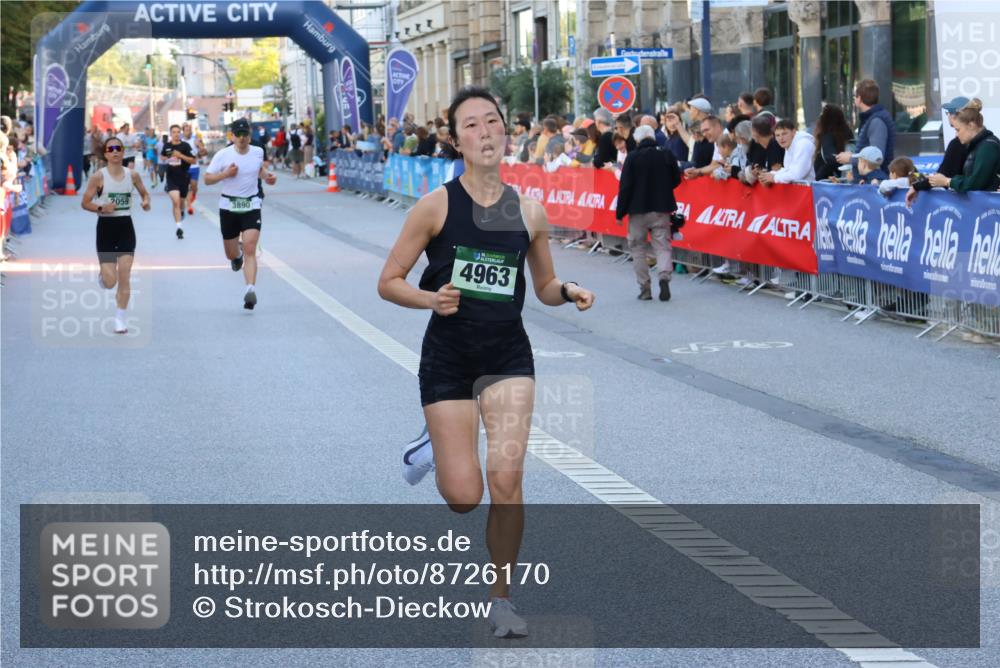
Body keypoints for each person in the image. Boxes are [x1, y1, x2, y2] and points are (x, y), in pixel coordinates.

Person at [377, 86, 594, 639]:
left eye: (492, 121)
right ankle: (432, 442)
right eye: (470, 125)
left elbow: (541, 284)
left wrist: (567, 289)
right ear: (456, 139)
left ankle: (502, 600)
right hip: (448, 356)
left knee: (506, 479)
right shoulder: (436, 206)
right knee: (463, 497)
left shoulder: (528, 209)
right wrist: (431, 299)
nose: (485, 132)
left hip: (507, 356)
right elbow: (388, 282)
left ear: (505, 130)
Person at [80, 135, 151, 334]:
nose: (115, 152)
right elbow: (85, 203)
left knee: (125, 275)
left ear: (123, 151)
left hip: (125, 227)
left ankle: (120, 318)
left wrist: (146, 202)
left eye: (118, 148)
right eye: (111, 149)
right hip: (106, 228)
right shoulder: (98, 177)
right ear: (105, 154)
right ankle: (104, 276)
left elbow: (145, 193)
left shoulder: (132, 175)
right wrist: (101, 207)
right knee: (111, 282)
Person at [204, 118, 277, 310]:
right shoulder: (223, 155)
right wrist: (225, 175)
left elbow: (259, 170)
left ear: (250, 135)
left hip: (251, 204)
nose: (243, 138)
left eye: (246, 134)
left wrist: (268, 177)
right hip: (228, 206)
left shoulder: (258, 152)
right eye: (239, 134)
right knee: (231, 254)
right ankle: (236, 256)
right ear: (233, 136)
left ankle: (250, 290)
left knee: (250, 247)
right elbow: (207, 179)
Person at [616, 124, 681, 301]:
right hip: (661, 209)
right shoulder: (666, 154)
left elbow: (625, 187)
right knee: (663, 246)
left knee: (638, 249)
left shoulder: (632, 157)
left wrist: (620, 213)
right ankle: (664, 277)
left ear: (637, 140)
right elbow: (676, 178)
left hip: (637, 211)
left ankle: (645, 289)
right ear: (652, 137)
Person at [907, 97, 975, 204]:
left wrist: (916, 185)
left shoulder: (958, 144)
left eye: (948, 112)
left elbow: (941, 176)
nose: (957, 134)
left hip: (962, 204)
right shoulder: (987, 141)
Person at [923, 100, 1000, 194]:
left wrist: (947, 181)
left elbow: (975, 184)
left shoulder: (988, 147)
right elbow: (971, 179)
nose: (956, 134)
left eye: (957, 129)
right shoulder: (979, 146)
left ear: (971, 125)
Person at [836, 79, 895, 177]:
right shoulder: (873, 119)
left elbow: (877, 158)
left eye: (855, 96)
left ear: (859, 98)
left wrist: (850, 159)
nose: (854, 99)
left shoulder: (877, 121)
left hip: (872, 184)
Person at [161, 124, 196, 239]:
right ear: (170, 134)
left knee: (181, 204)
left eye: (178, 132)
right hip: (171, 178)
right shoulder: (167, 145)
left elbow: (193, 160)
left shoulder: (185, 146)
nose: (176, 134)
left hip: (183, 178)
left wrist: (180, 155)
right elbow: (162, 156)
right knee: (175, 201)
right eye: (174, 132)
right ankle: (179, 227)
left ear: (180, 133)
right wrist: (168, 158)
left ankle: (181, 212)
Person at [758, 119, 815, 184]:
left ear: (793, 132)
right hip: (805, 189)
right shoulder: (790, 144)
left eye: (784, 134)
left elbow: (797, 174)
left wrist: (774, 177)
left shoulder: (803, 144)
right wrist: (769, 175)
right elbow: (789, 170)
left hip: (815, 191)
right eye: (777, 135)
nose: (781, 138)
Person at [813, 104, 854, 181]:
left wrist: (819, 176)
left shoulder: (827, 136)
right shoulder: (847, 134)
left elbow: (831, 159)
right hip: (844, 179)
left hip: (829, 182)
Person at [180, 122, 207, 215]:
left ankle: (193, 195)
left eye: (189, 130)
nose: (188, 132)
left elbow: (203, 151)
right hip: (184, 168)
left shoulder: (195, 139)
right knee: (186, 188)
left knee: (194, 187)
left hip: (195, 167)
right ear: (183, 131)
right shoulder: (180, 141)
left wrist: (201, 148)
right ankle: (189, 206)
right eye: (186, 130)